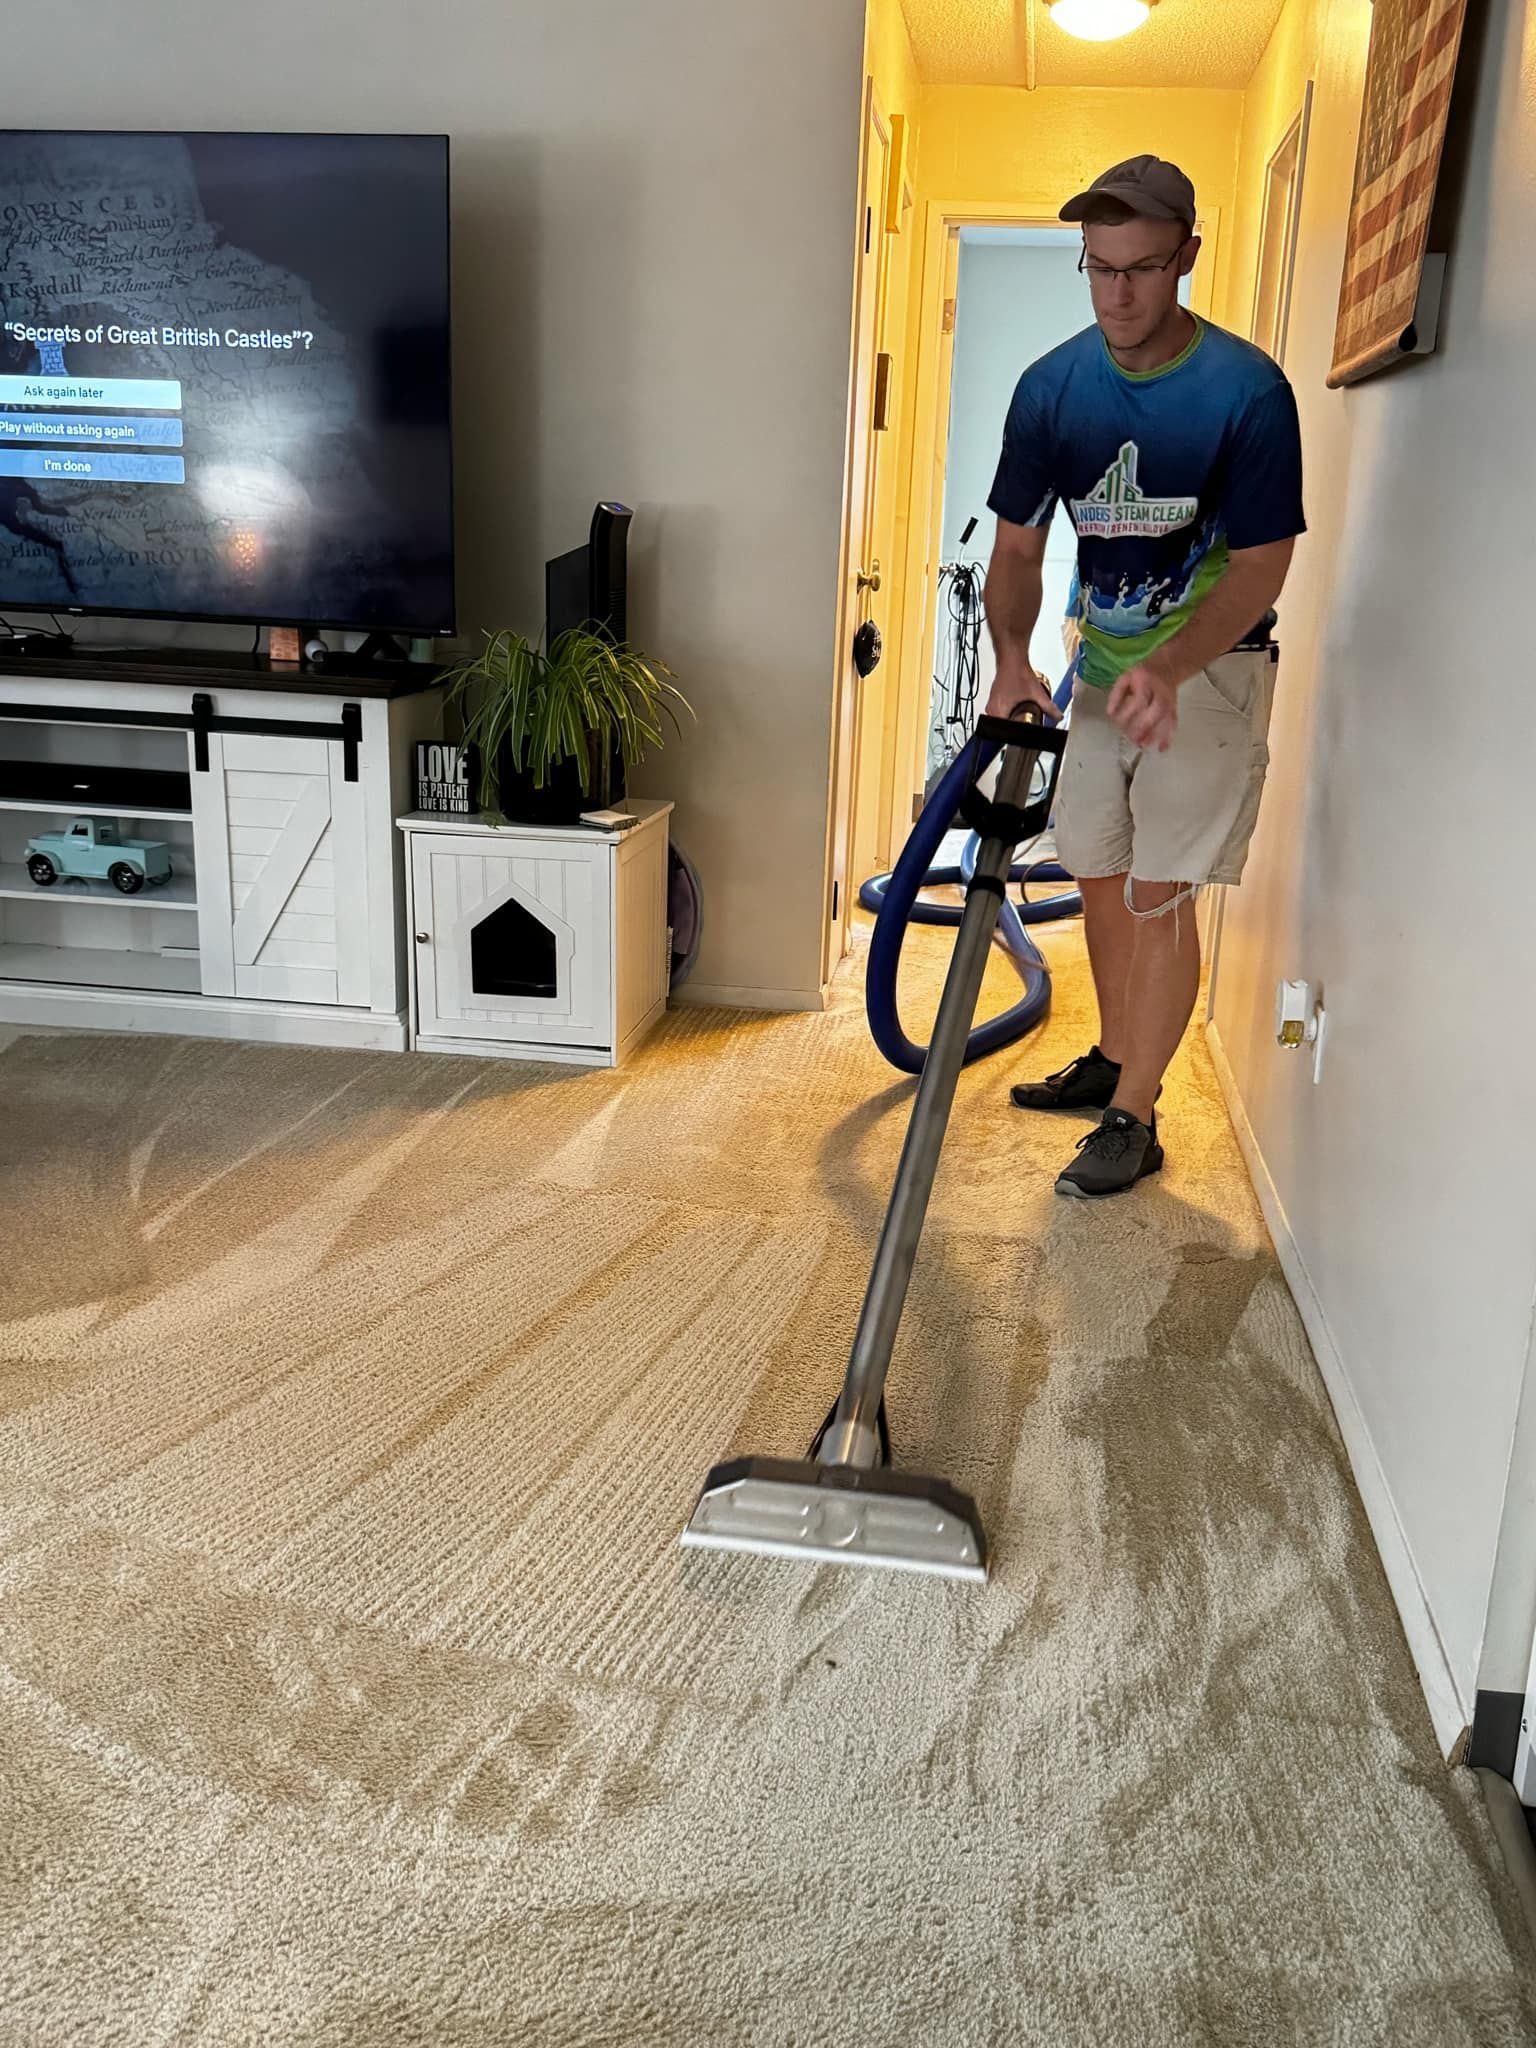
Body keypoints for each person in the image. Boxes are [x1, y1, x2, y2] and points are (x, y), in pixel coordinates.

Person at [983, 154, 1305, 1198]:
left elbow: (1262, 563)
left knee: (1161, 893)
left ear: (1186, 261)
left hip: (1208, 674)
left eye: (1142, 268)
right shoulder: (1052, 388)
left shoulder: (1248, 391)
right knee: (1096, 867)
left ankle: (1137, 1113)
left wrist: (1169, 665)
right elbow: (1021, 550)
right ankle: (1119, 1056)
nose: (1118, 293)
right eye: (1098, 267)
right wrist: (1009, 663)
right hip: (1098, 671)